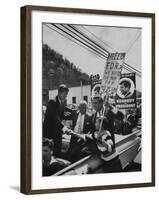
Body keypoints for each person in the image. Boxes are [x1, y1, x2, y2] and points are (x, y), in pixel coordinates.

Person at [43, 84, 72, 157]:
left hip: (57, 131)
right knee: (50, 153)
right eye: (65, 94)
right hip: (50, 133)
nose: (66, 96)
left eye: (67, 94)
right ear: (59, 92)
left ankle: (56, 165)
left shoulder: (62, 101)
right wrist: (64, 128)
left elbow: (61, 115)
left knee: (57, 152)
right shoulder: (52, 102)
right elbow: (55, 118)